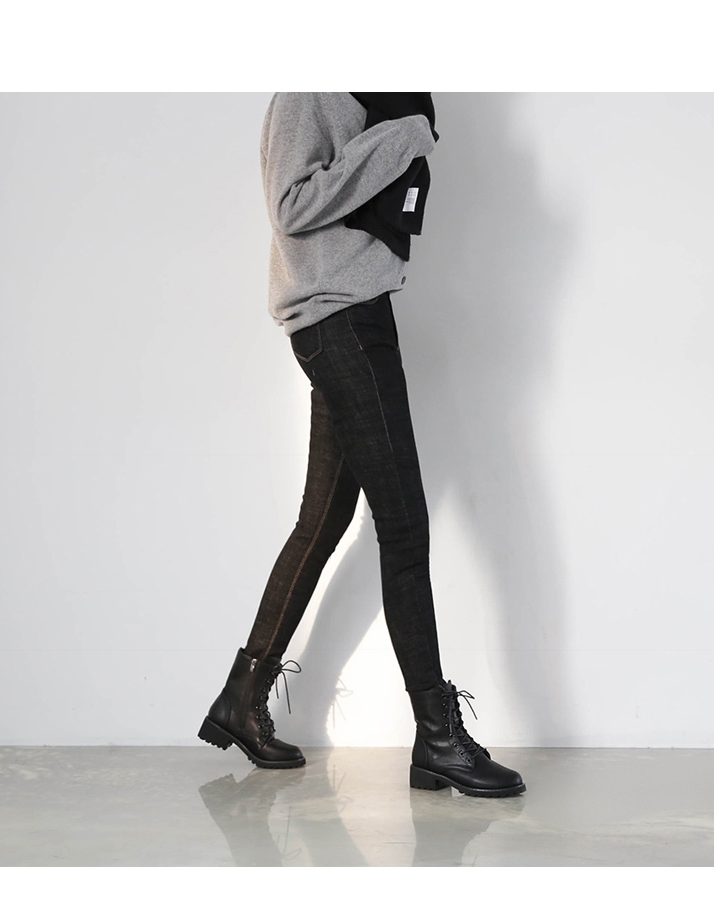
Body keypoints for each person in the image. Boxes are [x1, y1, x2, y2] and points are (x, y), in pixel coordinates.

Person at [198, 93, 525, 798]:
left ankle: (241, 698)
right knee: (403, 525)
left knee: (323, 522)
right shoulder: (308, 91)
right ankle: (438, 738)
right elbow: (290, 206)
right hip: (337, 320)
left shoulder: (372, 87)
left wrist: (401, 128)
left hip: (359, 312)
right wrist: (400, 136)